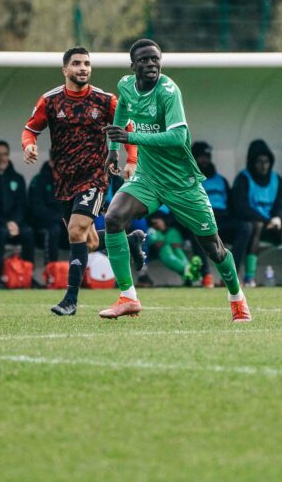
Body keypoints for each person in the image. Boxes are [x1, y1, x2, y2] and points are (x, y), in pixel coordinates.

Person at [104, 38, 251, 322]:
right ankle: (128, 297)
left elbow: (178, 137)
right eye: (144, 60)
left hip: (182, 183)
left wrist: (131, 137)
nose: (150, 64)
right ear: (133, 66)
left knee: (214, 248)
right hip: (148, 177)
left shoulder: (169, 92)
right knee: (113, 218)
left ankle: (237, 297)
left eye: (155, 59)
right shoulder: (125, 85)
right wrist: (113, 151)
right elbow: (122, 109)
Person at [23, 47, 145, 316]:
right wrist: (29, 146)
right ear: (65, 70)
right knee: (86, 241)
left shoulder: (104, 100)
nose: (83, 68)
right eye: (77, 63)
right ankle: (130, 240)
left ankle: (70, 300)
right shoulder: (51, 100)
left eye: (87, 63)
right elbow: (30, 129)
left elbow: (127, 127)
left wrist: (132, 159)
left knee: (76, 231)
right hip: (64, 180)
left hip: (94, 177)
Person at [232, 139, 282, 287]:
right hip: (255, 226)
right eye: (259, 162)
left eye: (266, 162)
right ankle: (249, 278)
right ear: (252, 162)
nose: (263, 166)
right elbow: (240, 207)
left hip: (272, 224)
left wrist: (278, 218)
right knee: (256, 226)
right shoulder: (243, 179)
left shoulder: (277, 179)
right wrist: (265, 220)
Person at [188, 140, 245, 288]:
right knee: (195, 228)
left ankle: (233, 274)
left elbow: (232, 205)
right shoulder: (190, 179)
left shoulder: (221, 180)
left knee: (245, 227)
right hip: (203, 219)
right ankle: (206, 275)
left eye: (206, 156)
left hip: (222, 220)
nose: (204, 160)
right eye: (200, 157)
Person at [0, 140, 36, 282]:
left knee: (28, 232)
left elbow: (22, 206)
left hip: (15, 224)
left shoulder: (18, 179)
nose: (1, 158)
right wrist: (6, 223)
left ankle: (28, 275)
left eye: (4, 154)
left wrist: (15, 223)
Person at [147, 208, 202, 285]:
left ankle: (187, 273)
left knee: (176, 245)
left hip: (169, 226)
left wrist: (165, 222)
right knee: (163, 246)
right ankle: (187, 270)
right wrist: (154, 221)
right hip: (150, 227)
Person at [28, 160, 66, 265]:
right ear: (51, 161)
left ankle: (88, 274)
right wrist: (61, 218)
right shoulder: (39, 180)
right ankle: (51, 271)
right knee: (54, 229)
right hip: (43, 224)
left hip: (65, 223)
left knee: (86, 226)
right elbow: (37, 210)